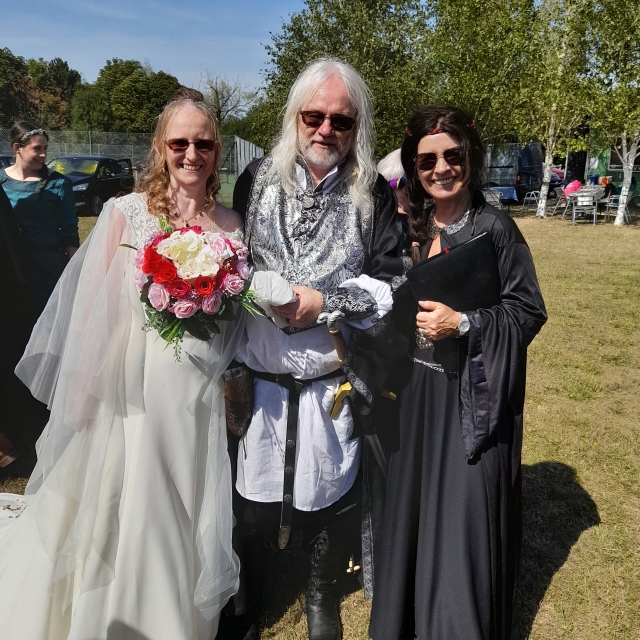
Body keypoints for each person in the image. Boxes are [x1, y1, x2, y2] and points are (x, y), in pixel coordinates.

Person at [0, 88, 248, 639]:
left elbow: (236, 323)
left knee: (188, 504)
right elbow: (89, 313)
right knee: (127, 505)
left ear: (217, 147)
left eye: (203, 142)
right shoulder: (124, 213)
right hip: (130, 393)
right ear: (161, 147)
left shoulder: (232, 225)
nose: (192, 154)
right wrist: (82, 397)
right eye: (179, 142)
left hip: (197, 399)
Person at [228, 58, 402, 640]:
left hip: (330, 378)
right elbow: (235, 265)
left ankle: (322, 589)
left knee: (327, 490)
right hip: (262, 377)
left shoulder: (372, 192)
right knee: (251, 494)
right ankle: (248, 590)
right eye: (315, 116)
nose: (326, 129)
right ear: (295, 117)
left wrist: (323, 302)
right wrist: (265, 296)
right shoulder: (255, 178)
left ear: (357, 128)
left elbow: (390, 280)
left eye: (341, 121)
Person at [369, 106, 547, 640]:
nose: (441, 167)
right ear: (413, 166)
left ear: (470, 155)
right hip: (414, 394)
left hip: (471, 395)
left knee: (460, 519)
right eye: (427, 159)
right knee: (410, 512)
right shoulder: (407, 227)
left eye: (453, 155)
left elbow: (528, 309)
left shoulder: (494, 227)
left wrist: (465, 322)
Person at [0, 122, 78, 313]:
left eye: (45, 148)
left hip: (46, 266)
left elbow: (69, 229)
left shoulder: (58, 183)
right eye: (37, 148)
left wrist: (75, 269)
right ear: (17, 148)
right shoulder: (1, 181)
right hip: (10, 264)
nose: (43, 154)